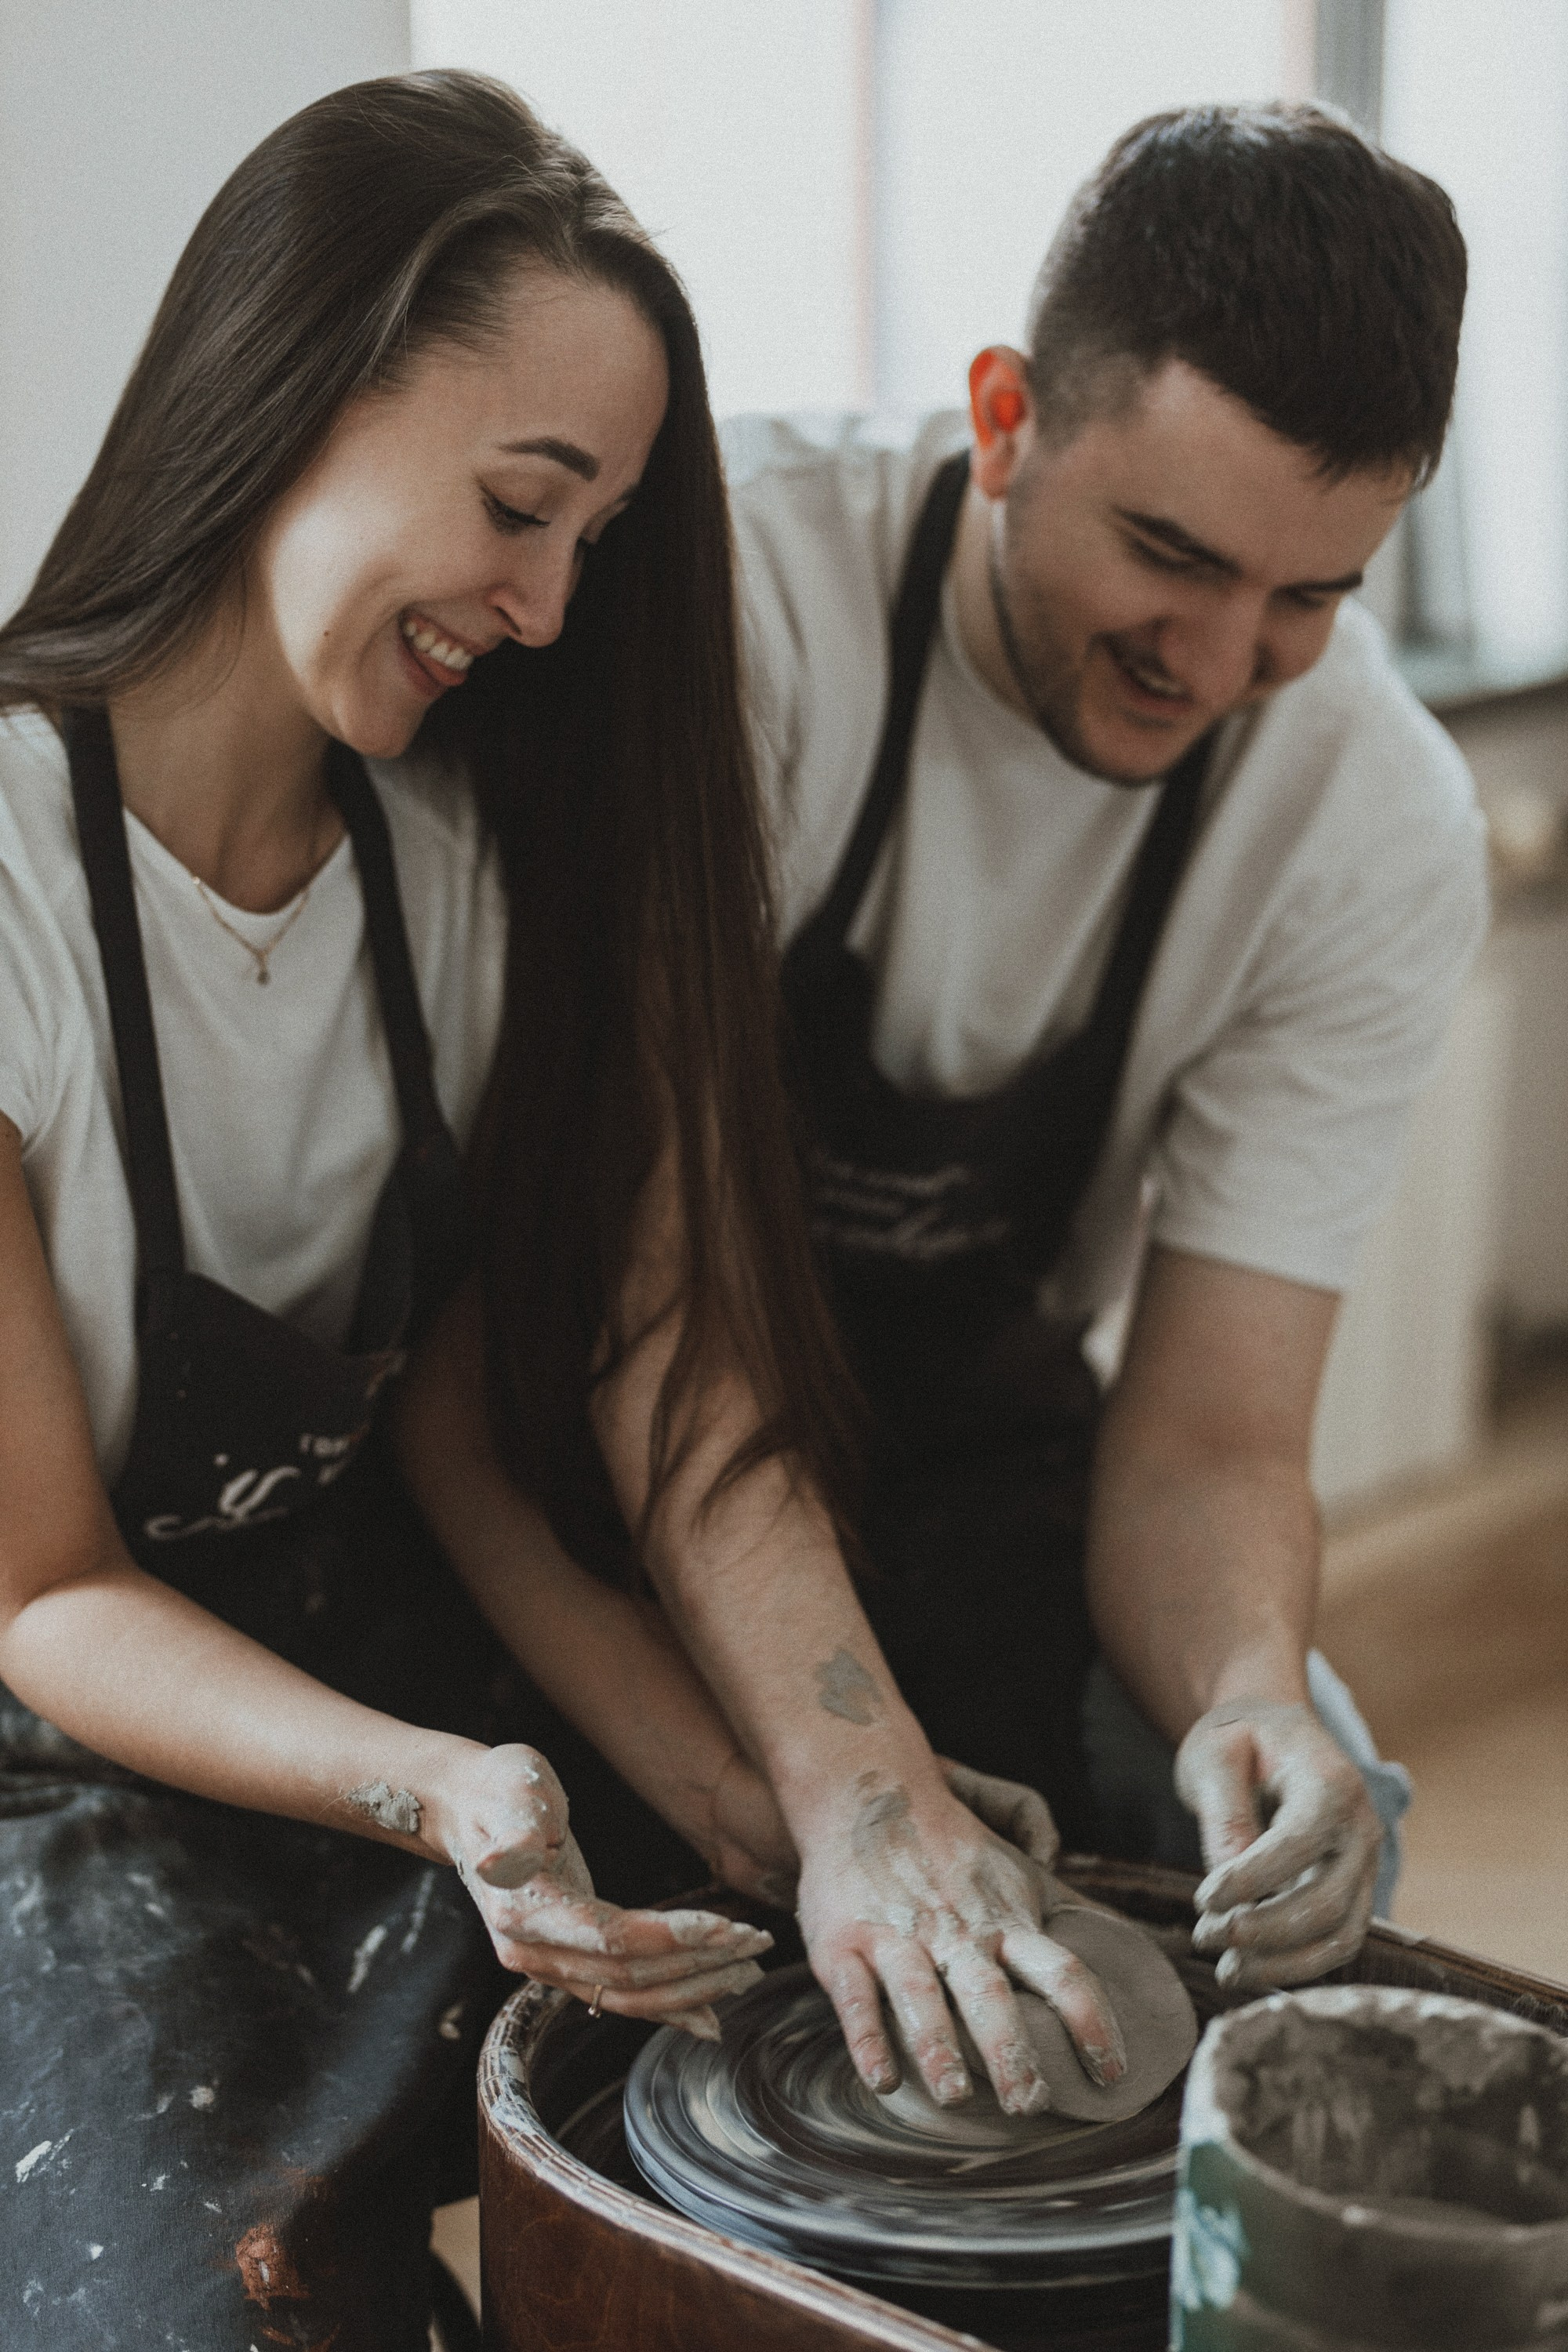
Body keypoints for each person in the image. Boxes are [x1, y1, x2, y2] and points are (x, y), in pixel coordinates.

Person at [0, 68, 1084, 2351]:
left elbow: (457, 1445)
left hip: (359, 1650)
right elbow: (51, 1589)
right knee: (231, 2302)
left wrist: (758, 1807)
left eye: (592, 539)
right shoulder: (11, 880)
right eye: (522, 505)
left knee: (767, 2033)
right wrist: (450, 1793)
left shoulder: (449, 876)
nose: (549, 601)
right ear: (297, 375)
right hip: (58, 1738)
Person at [713, 106, 1487, 1994]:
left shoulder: (1372, 821)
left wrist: (1247, 1697)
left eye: (1307, 597)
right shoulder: (743, 607)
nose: (1219, 665)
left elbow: (1216, 1429)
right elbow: (634, 1326)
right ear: (1003, 421)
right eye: (1169, 552)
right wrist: (857, 1783)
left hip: (970, 1436)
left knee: (1301, 1834)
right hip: (629, 1430)